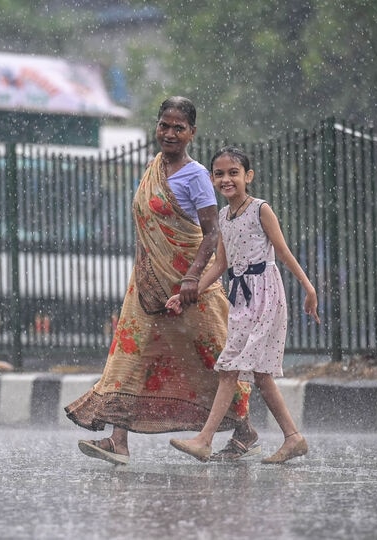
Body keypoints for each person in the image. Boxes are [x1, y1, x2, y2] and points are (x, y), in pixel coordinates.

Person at [65, 97, 259, 465]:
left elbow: (211, 233)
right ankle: (118, 440)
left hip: (191, 285)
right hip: (147, 283)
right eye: (164, 126)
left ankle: (245, 429)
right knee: (132, 353)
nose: (170, 134)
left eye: (178, 128)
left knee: (215, 354)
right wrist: (146, 271)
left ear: (192, 133)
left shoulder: (197, 175)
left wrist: (191, 278)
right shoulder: (153, 167)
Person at [167, 146, 320, 464]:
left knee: (233, 369)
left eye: (233, 173)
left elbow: (284, 252)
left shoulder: (260, 209)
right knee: (251, 373)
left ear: (247, 176)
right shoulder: (223, 216)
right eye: (219, 174)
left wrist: (308, 288)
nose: (227, 179)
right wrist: (187, 292)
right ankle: (293, 438)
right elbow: (219, 264)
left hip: (264, 295)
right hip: (240, 298)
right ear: (211, 179)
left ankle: (205, 439)